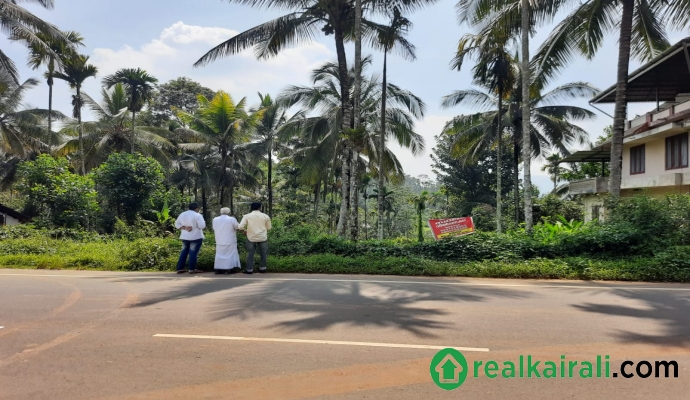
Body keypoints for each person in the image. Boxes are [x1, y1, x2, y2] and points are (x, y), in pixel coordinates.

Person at [237, 202, 271, 274]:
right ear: (260, 208)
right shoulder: (265, 216)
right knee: (263, 253)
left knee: (250, 253)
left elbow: (240, 227)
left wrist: (244, 231)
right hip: (262, 237)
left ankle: (249, 269)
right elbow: (269, 228)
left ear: (251, 208)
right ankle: (263, 268)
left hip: (251, 237)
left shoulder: (247, 216)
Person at [174, 202, 206, 274]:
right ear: (196, 208)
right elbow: (202, 226)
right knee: (193, 253)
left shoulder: (182, 214)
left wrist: (185, 228)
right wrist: (195, 226)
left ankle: (180, 268)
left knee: (184, 252)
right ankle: (191, 269)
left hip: (185, 236)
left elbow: (176, 224)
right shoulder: (197, 215)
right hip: (196, 236)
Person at [212, 207, 241, 274]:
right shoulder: (231, 219)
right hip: (229, 239)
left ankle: (218, 268)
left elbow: (214, 228)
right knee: (229, 254)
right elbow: (237, 227)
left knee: (219, 254)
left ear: (220, 212)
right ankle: (227, 269)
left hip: (219, 239)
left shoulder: (215, 219)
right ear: (229, 212)